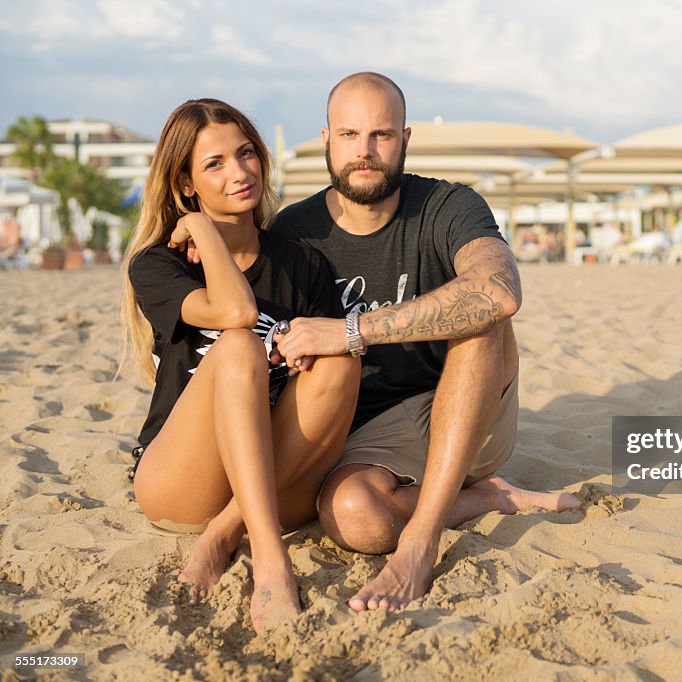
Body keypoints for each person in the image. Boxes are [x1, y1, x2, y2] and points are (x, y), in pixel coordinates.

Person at [269, 72, 579, 613]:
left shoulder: (448, 206)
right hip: (367, 430)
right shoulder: (295, 232)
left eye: (381, 135)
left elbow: (498, 293)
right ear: (325, 139)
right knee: (355, 519)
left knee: (476, 320)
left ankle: (422, 537)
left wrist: (351, 332)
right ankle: (485, 498)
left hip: (466, 402)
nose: (364, 152)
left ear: (405, 140)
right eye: (349, 135)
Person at [119, 99, 360, 632]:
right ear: (186, 186)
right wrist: (200, 230)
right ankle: (271, 562)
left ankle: (225, 533)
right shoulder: (158, 264)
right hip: (182, 482)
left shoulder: (302, 264)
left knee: (340, 361)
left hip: (277, 480)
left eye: (246, 153)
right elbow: (238, 312)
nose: (240, 172)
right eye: (215, 164)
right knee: (237, 346)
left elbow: (330, 377)